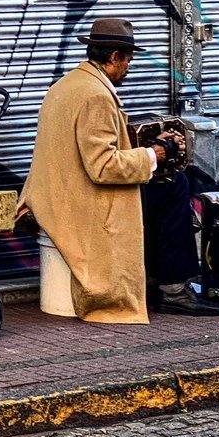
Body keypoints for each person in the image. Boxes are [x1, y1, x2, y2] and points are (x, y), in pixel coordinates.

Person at [18, 18, 200, 323]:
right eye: (127, 60)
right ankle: (174, 289)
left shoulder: (69, 84)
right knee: (174, 185)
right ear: (115, 57)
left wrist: (147, 150)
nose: (128, 68)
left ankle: (161, 280)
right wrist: (154, 154)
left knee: (163, 187)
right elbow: (103, 167)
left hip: (56, 195)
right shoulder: (97, 96)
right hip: (79, 205)